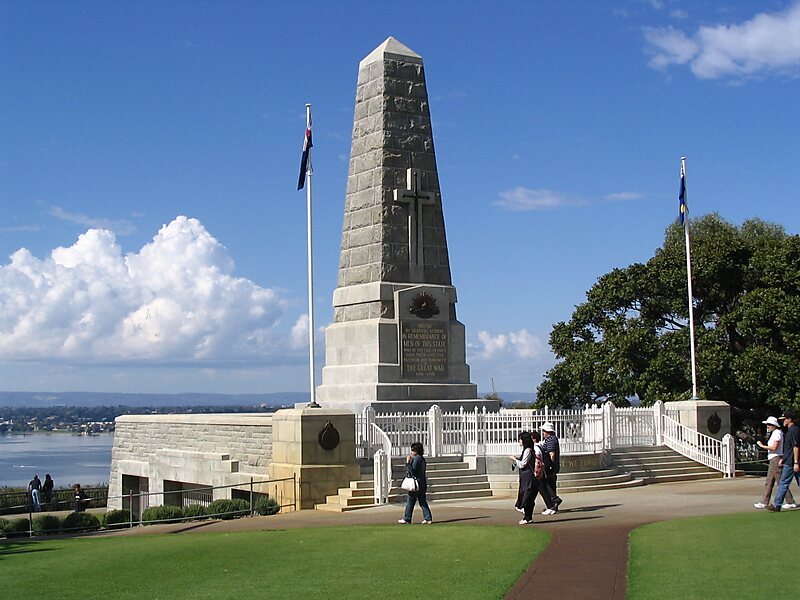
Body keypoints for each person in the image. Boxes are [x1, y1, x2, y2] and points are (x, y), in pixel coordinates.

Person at [755, 417, 796, 509]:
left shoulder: (777, 433)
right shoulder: (775, 433)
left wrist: (762, 446)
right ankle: (764, 501)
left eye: (769, 425)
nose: (768, 426)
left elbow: (774, 447)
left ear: (774, 425)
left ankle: (790, 501)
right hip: (773, 458)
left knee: (781, 481)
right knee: (769, 481)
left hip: (776, 458)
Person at [508, 431, 547, 524]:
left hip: (528, 476)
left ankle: (527, 517)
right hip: (526, 476)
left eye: (520, 439)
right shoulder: (529, 450)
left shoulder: (528, 450)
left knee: (527, 496)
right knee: (528, 496)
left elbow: (522, 464)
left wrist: (514, 459)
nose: (519, 442)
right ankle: (527, 517)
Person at [768, 410, 800, 512]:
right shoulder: (791, 430)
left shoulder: (794, 430)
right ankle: (777, 504)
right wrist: (783, 459)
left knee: (783, 482)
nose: (783, 422)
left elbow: (796, 447)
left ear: (789, 419)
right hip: (789, 460)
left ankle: (777, 504)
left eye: (785, 419)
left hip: (792, 462)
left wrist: (795, 462)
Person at [398, 442, 433, 524]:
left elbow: (412, 471)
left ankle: (407, 518)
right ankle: (428, 518)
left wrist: (408, 463)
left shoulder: (416, 459)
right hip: (422, 482)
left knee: (410, 501)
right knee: (422, 501)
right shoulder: (422, 459)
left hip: (416, 483)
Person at [540, 422, 562, 513]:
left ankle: (555, 499)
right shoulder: (551, 439)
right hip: (552, 466)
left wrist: (549, 465)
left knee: (547, 484)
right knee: (551, 484)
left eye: (544, 431)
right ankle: (553, 504)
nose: (543, 433)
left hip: (550, 467)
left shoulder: (551, 440)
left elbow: (551, 454)